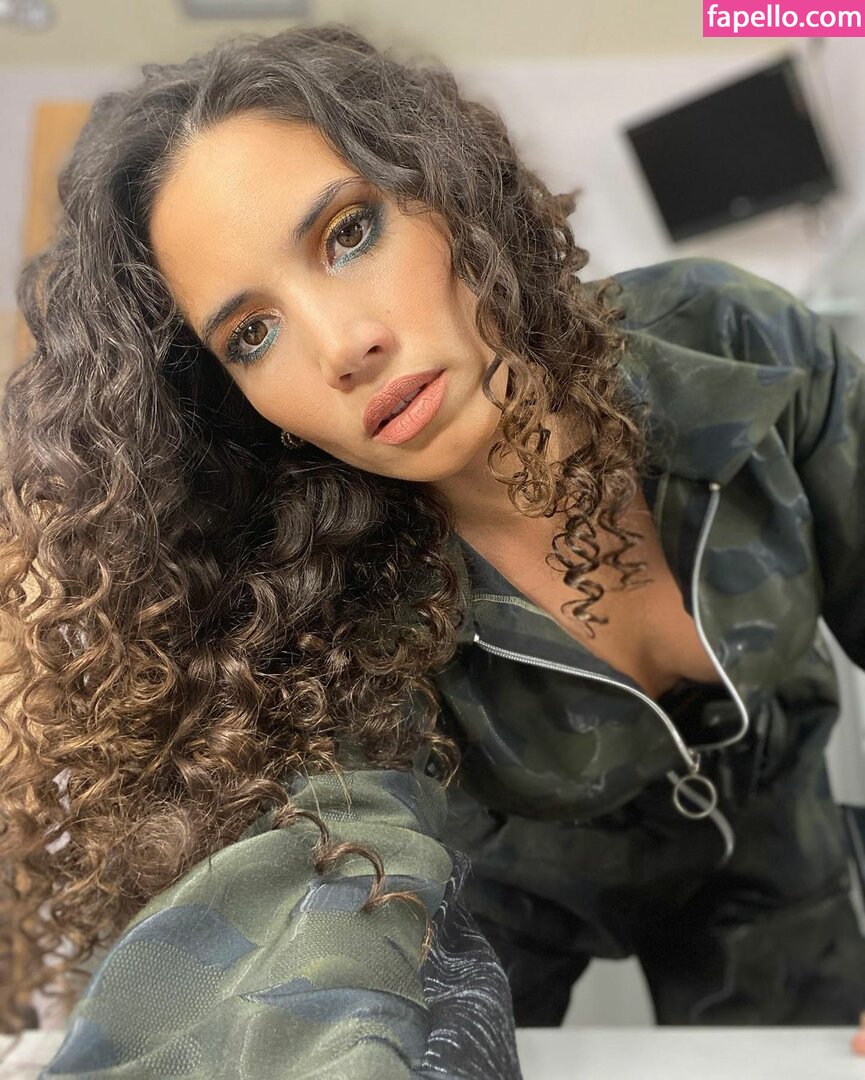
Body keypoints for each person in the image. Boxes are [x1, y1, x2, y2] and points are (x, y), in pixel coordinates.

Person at [1, 20, 864, 1080]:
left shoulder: (736, 348)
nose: (342, 346)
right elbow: (324, 917)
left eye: (348, 233)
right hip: (515, 887)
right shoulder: (332, 606)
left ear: (448, 191)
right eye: (252, 335)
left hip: (778, 830)